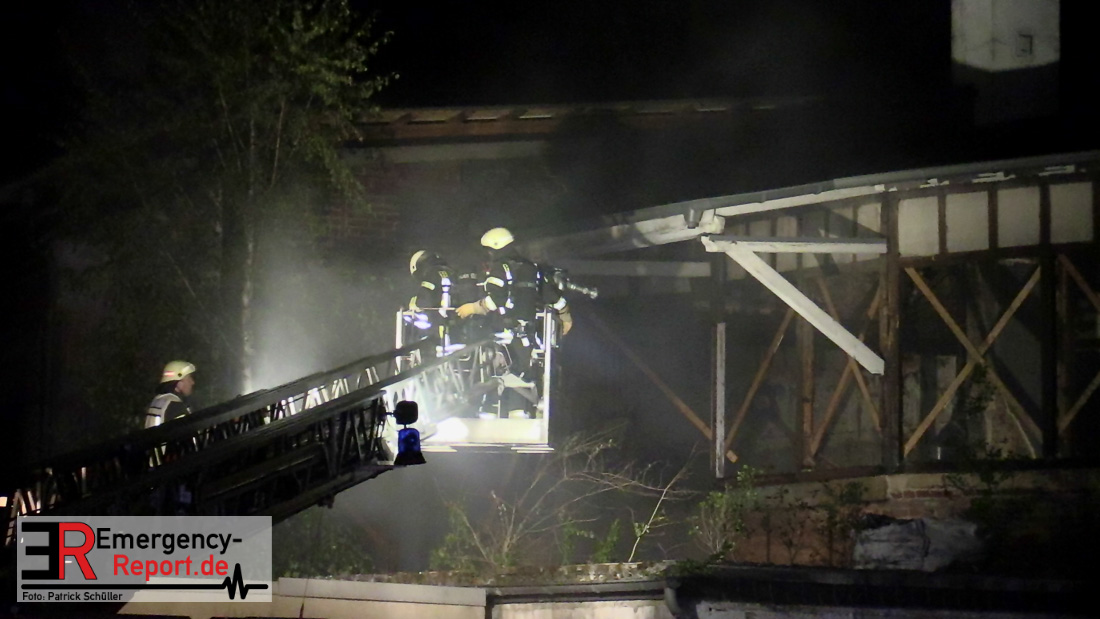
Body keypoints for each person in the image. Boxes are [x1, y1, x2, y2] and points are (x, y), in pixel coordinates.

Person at [457, 227, 572, 416]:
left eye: (489, 251)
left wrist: (473, 307)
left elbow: (496, 299)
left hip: (502, 336)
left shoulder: (500, 267)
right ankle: (518, 414)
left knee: (493, 376)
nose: (488, 255)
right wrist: (565, 316)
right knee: (521, 377)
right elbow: (551, 296)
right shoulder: (531, 268)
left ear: (495, 247)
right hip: (526, 336)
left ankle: (489, 415)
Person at [145, 360, 196, 429]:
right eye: (189, 379)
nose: (192, 382)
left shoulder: (158, 401)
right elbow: (186, 433)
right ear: (179, 384)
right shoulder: (176, 406)